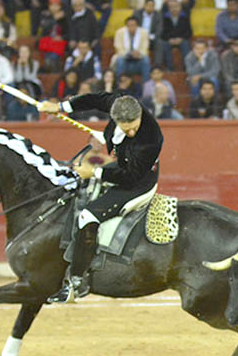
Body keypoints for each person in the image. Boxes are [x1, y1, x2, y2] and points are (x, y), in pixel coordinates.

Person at [37, 92, 164, 303]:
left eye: (134, 126)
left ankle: (76, 283)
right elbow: (94, 100)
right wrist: (60, 106)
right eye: (126, 128)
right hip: (123, 164)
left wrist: (94, 172)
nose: (132, 131)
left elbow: (130, 176)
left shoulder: (151, 139)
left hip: (138, 182)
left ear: (140, 114)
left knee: (88, 216)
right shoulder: (120, 104)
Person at [112, 16, 150, 82]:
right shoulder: (119, 32)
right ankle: (119, 85)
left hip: (138, 61)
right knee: (120, 59)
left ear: (137, 25)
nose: (131, 27)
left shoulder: (143, 33)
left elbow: (145, 49)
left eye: (133, 25)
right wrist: (129, 53)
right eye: (129, 25)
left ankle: (146, 85)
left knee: (146, 59)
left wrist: (138, 53)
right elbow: (118, 49)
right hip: (125, 61)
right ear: (126, 26)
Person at [38, 0, 69, 73]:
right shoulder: (44, 15)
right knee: (49, 56)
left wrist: (62, 37)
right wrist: (54, 19)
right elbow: (44, 31)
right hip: (48, 44)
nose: (54, 7)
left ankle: (54, 73)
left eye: (56, 5)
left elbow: (69, 32)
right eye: (52, 5)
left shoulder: (65, 18)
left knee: (53, 56)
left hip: (60, 44)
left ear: (60, 7)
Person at [133, 0, 164, 68]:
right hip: (139, 38)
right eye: (149, 5)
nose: (150, 8)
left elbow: (159, 29)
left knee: (159, 42)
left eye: (152, 6)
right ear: (144, 5)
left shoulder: (158, 15)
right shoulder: (137, 13)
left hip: (151, 39)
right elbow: (133, 26)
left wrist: (152, 37)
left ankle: (157, 66)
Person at [161, 0, 192, 71]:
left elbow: (189, 32)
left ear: (180, 7)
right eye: (171, 7)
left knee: (186, 44)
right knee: (164, 45)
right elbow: (162, 33)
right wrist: (169, 39)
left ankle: (186, 68)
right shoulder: (164, 18)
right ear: (168, 8)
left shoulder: (185, 17)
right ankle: (169, 68)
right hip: (169, 40)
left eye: (176, 6)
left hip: (181, 40)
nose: (174, 9)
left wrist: (181, 39)